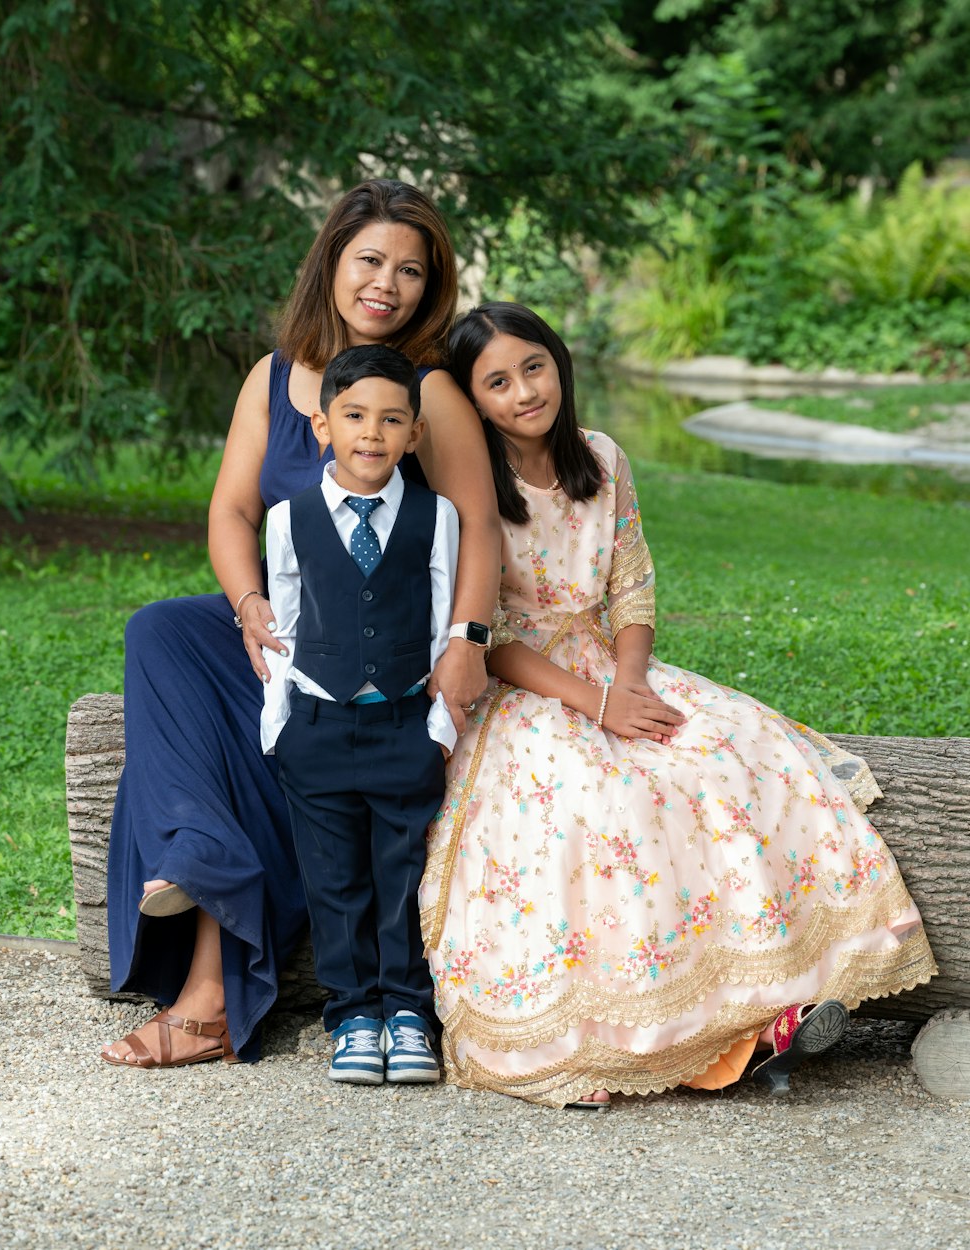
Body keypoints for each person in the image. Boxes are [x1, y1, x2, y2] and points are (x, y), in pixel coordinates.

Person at [419, 302, 937, 1108]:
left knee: (725, 755)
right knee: (602, 800)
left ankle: (766, 1005)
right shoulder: (472, 484)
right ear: (472, 400)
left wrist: (629, 682)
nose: (523, 391)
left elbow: (631, 583)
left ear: (560, 363)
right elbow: (492, 636)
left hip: (610, 663)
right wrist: (595, 704)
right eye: (496, 382)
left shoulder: (600, 456)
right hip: (526, 687)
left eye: (534, 367)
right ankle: (661, 1039)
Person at [101, 180, 500, 1069]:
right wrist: (248, 609)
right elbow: (232, 514)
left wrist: (467, 644)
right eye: (369, 261)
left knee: (233, 750)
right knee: (161, 631)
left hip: (380, 642)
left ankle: (203, 931)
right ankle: (194, 865)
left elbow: (476, 527)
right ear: (332, 263)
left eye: (409, 270)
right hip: (278, 623)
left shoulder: (425, 392)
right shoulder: (275, 377)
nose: (386, 285)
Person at [262, 343, 458, 1085]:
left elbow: (444, 628)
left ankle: (409, 1011)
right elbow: (282, 626)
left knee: (401, 874)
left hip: (406, 725)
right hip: (315, 726)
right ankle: (352, 1014)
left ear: (412, 434)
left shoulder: (435, 519)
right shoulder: (289, 519)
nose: (371, 433)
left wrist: (437, 732)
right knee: (333, 878)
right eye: (354, 416)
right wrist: (277, 724)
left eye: (390, 419)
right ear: (323, 426)